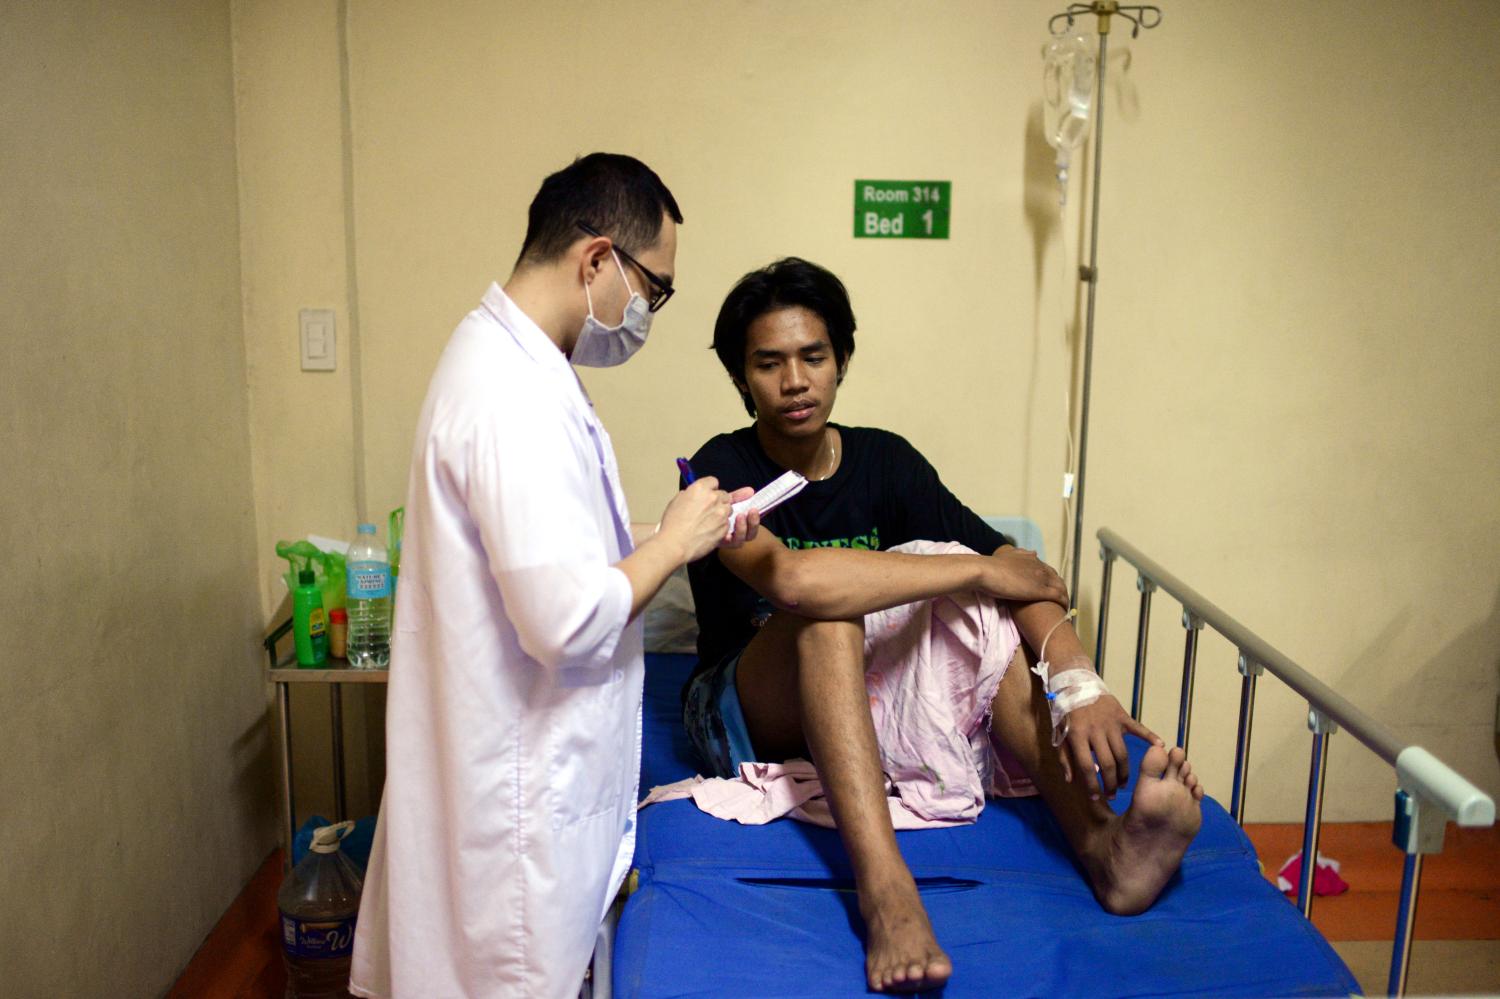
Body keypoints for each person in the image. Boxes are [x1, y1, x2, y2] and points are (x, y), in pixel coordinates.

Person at [682, 257, 1205, 994]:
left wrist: (1080, 685)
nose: (795, 381)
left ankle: (1105, 847)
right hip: (744, 703)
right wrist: (974, 570)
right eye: (769, 363)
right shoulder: (719, 468)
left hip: (863, 693)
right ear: (743, 377)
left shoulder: (886, 462)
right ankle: (888, 890)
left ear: (842, 361)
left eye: (814, 356)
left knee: (979, 621)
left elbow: (1019, 572)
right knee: (832, 613)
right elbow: (796, 581)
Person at [350, 153, 758, 999]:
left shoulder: (514, 364)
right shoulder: (510, 395)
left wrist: (691, 530)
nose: (649, 312)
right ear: (597, 259)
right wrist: (673, 543)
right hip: (519, 819)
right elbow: (564, 617)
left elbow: (555, 550)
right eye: (656, 288)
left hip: (521, 792)